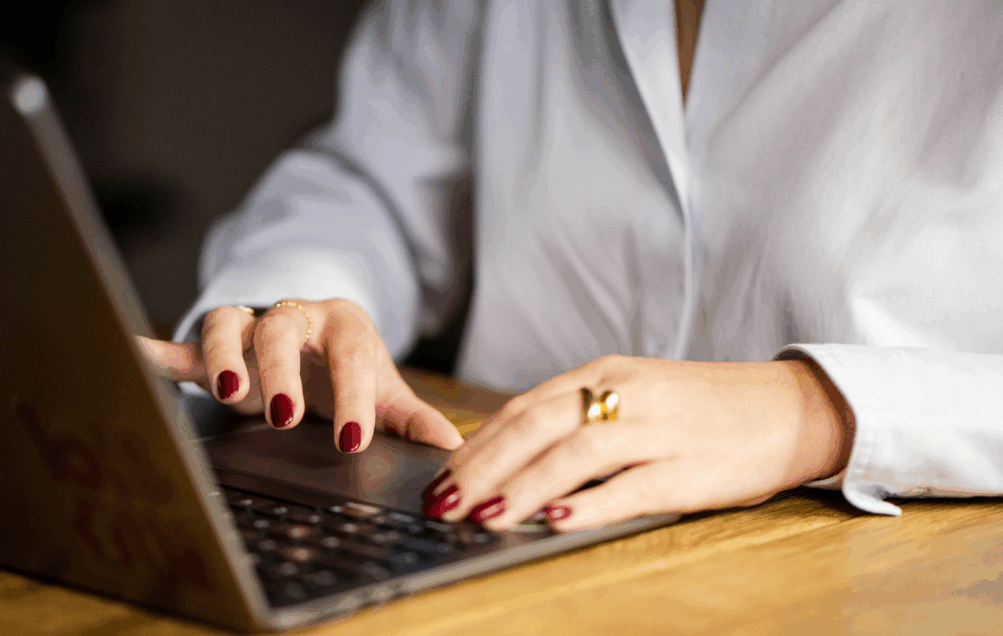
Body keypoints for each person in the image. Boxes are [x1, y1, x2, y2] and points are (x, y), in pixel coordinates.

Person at [139, 0, 1003, 532]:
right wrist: (298, 313)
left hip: (887, 577)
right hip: (491, 528)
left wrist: (817, 412)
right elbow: (373, 178)